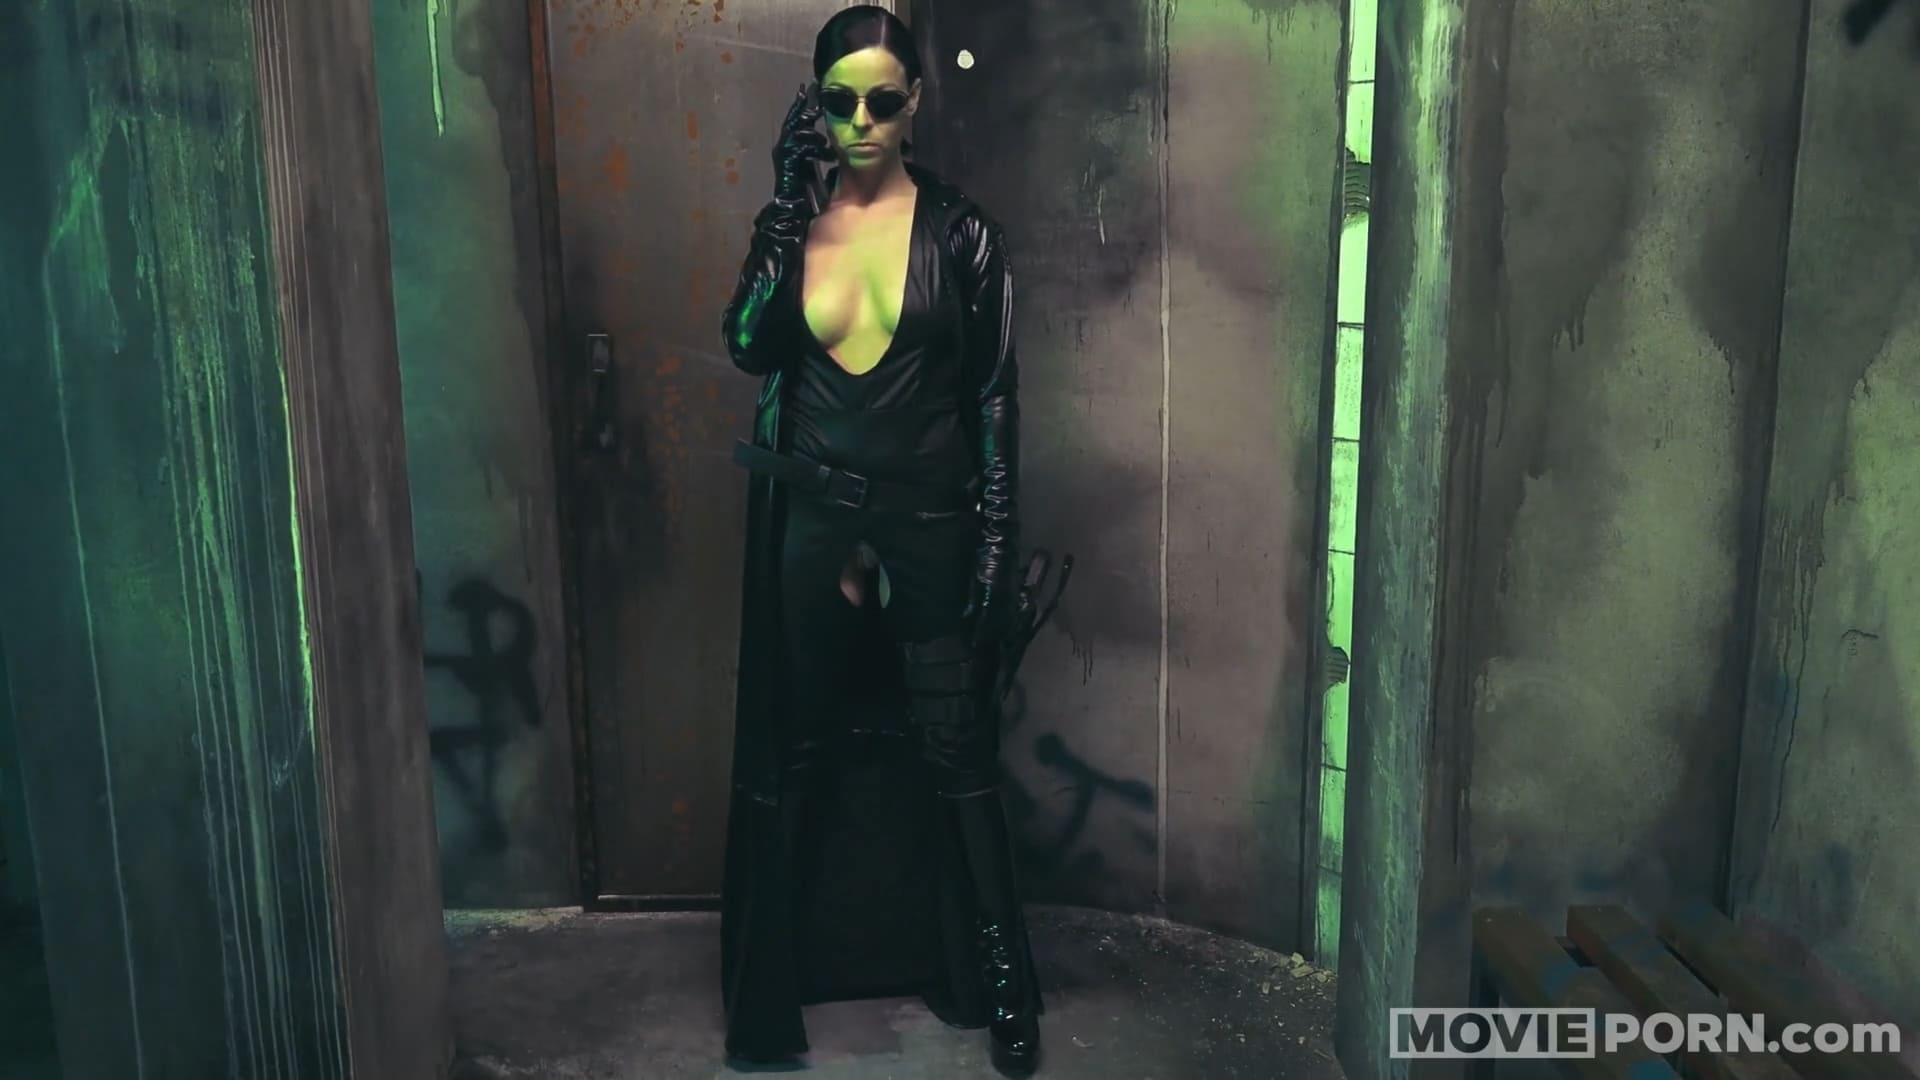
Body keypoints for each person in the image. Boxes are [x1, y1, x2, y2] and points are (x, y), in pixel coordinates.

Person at [717, 5, 1042, 1075]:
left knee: (957, 754)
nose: (860, 122)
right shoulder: (799, 222)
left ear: (915, 104)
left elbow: (994, 398)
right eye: (838, 101)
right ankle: (772, 994)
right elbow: (747, 345)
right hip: (812, 521)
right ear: (815, 106)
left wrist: (995, 546)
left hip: (929, 521)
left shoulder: (965, 234)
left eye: (883, 101)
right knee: (795, 749)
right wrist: (781, 206)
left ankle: (1005, 989)